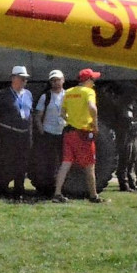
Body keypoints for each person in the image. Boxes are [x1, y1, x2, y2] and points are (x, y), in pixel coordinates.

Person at [53, 69, 107, 204]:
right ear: (87, 80)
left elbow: (62, 113)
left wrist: (71, 119)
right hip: (83, 133)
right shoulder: (88, 92)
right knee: (90, 165)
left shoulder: (69, 92)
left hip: (69, 132)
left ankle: (57, 193)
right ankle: (94, 196)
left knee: (65, 164)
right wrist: (94, 125)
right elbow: (92, 108)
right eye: (93, 80)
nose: (94, 83)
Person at [0, 65, 34, 199]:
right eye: (22, 79)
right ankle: (2, 189)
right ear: (13, 78)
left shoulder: (28, 94)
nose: (24, 81)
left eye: (25, 79)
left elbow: (30, 115)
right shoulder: (3, 94)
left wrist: (30, 134)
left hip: (24, 133)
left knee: (22, 162)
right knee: (8, 162)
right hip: (8, 133)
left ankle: (19, 190)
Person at [31, 70, 67, 198]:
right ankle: (47, 189)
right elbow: (38, 116)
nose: (56, 82)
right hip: (49, 133)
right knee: (49, 163)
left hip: (63, 132)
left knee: (63, 162)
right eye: (53, 80)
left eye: (58, 79)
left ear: (63, 80)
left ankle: (59, 189)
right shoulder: (45, 96)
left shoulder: (68, 95)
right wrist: (42, 131)